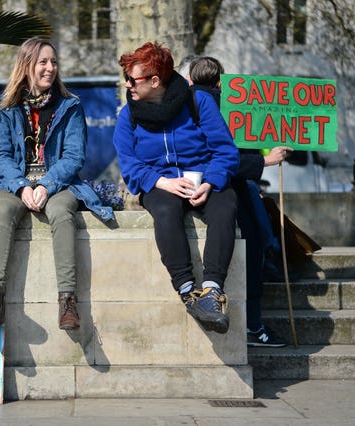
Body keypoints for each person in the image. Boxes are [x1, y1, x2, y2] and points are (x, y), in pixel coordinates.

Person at [0, 37, 114, 331]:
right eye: (43, 62)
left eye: (53, 62)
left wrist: (46, 184)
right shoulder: (7, 107)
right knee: (3, 212)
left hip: (59, 184)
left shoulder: (70, 106)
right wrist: (22, 186)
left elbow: (74, 156)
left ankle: (67, 301)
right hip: (14, 184)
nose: (50, 68)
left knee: (61, 213)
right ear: (27, 65)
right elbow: (2, 156)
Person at [112, 42, 239, 334]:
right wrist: (162, 182)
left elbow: (224, 151)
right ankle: (186, 290)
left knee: (225, 206)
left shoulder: (198, 102)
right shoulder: (127, 115)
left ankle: (211, 291)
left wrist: (210, 182)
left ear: (155, 81)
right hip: (160, 181)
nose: (128, 85)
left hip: (204, 179)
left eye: (133, 79)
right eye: (127, 79)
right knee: (166, 211)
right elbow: (129, 164)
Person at [188, 55, 290, 346]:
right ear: (221, 81)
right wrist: (267, 160)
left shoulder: (183, 105)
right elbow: (231, 157)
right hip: (230, 190)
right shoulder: (227, 107)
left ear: (191, 81)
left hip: (203, 187)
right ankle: (254, 325)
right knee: (256, 242)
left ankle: (253, 324)